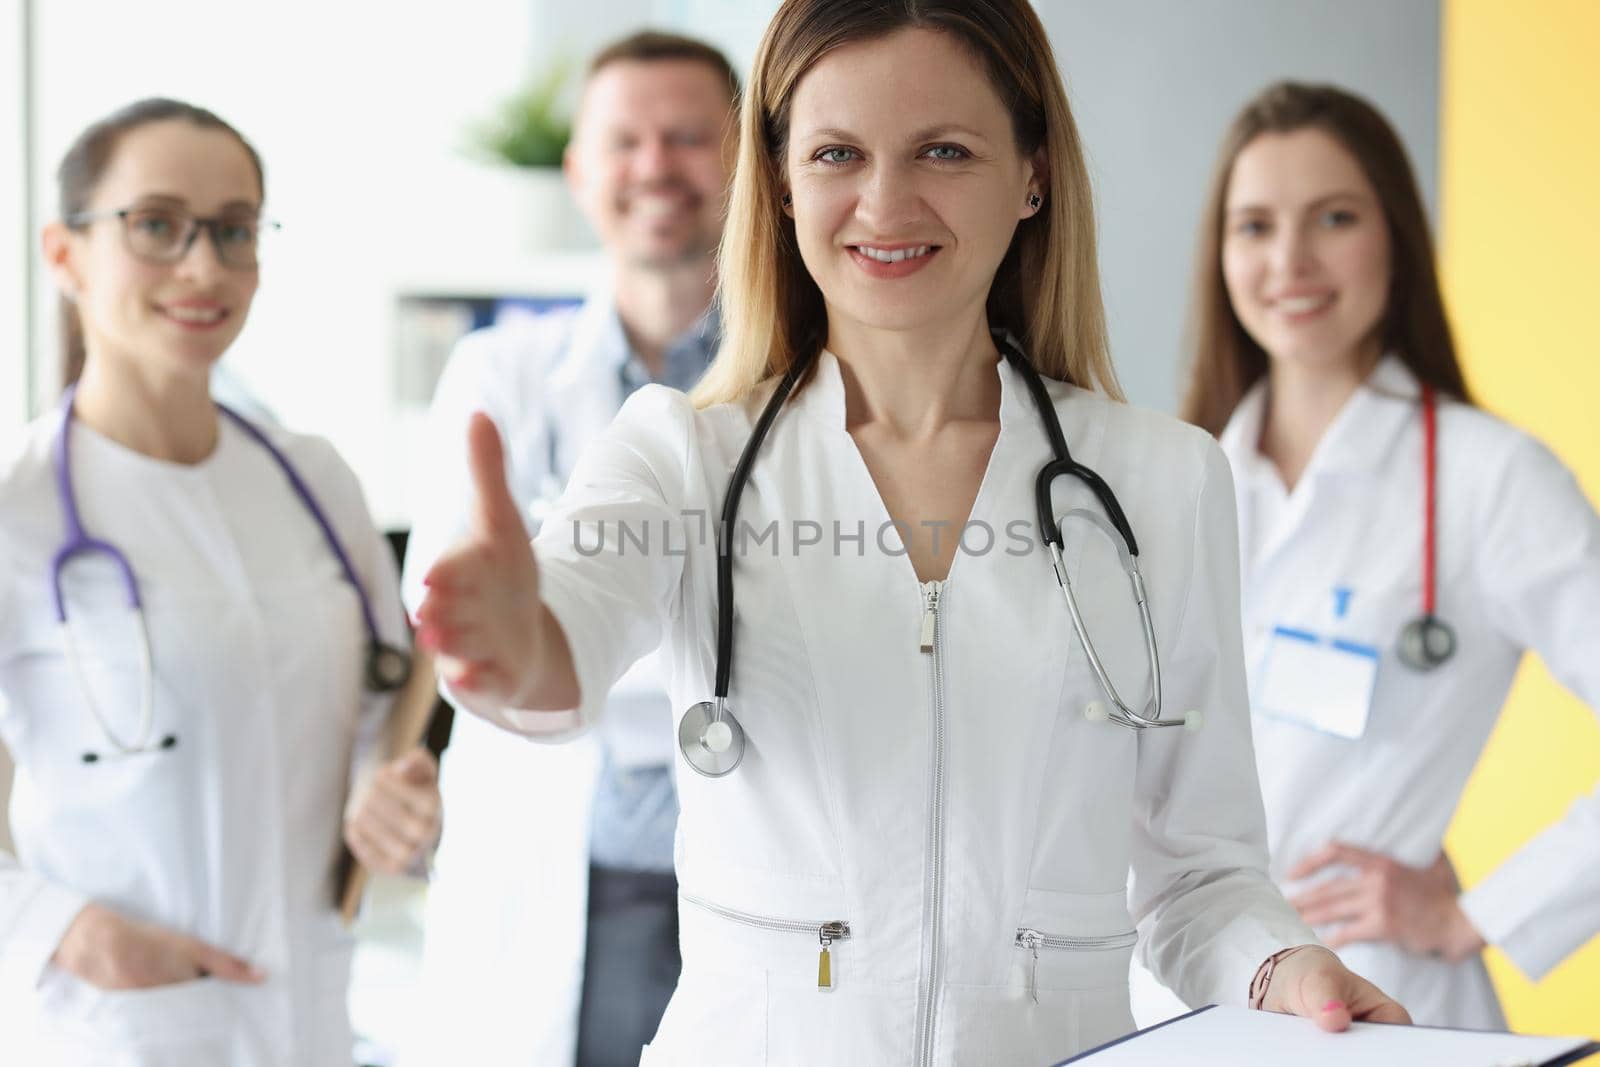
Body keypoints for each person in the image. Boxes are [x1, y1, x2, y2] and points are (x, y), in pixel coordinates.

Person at [415, 4, 1410, 1064]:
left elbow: (1200, 872)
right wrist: (511, 641)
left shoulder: (1159, 479)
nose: (885, 203)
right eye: (838, 152)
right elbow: (557, 644)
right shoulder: (680, 454)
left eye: (944, 150)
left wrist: (1280, 966)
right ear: (785, 179)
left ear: (1031, 173)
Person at [0, 98, 439, 1066]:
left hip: (316, 1009)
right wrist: (63, 926)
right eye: (156, 225)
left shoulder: (314, 476)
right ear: (64, 253)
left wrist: (388, 785)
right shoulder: (17, 510)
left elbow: (382, 697)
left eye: (236, 231)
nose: (204, 267)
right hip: (119, 1028)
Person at [1176, 81, 1600, 1029]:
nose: (1290, 260)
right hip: (1182, 993)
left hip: (1379, 1005)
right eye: (1254, 226)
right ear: (1220, 255)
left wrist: (1484, 910)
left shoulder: (1492, 480)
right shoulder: (1175, 476)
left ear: (1396, 236)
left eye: (1334, 217)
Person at [397, 31, 736, 1067]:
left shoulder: (807, 386)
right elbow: (465, 621)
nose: (654, 167)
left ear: (747, 163)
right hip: (557, 857)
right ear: (579, 170)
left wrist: (576, 619)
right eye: (623, 140)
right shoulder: (500, 370)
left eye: (688, 138)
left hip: (752, 854)